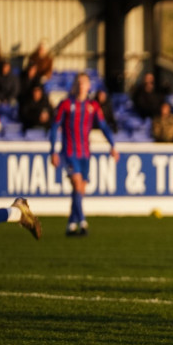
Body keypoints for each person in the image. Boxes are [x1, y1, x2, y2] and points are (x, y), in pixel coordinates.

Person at [50, 72, 120, 236]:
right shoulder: (66, 104)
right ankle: (82, 221)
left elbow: (103, 126)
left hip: (85, 154)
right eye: (78, 83)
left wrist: (113, 146)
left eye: (84, 83)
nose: (81, 86)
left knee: (80, 190)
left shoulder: (93, 107)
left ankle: (71, 224)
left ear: (89, 86)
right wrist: (52, 151)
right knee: (76, 183)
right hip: (69, 152)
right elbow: (54, 128)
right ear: (74, 86)